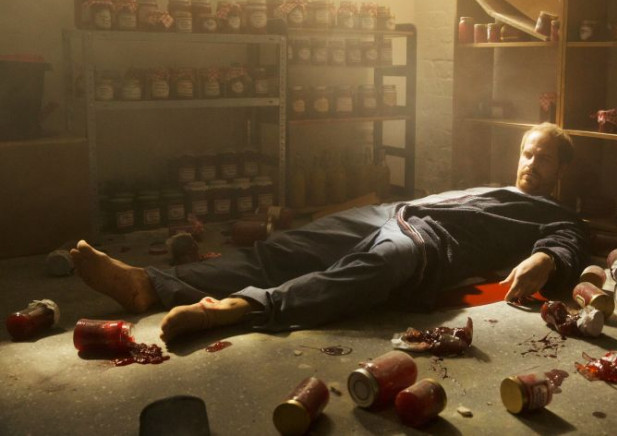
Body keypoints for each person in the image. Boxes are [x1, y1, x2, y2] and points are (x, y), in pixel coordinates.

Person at [71, 122, 588, 343]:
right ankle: (149, 283)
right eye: (527, 152)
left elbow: (565, 245)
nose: (531, 163)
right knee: (282, 249)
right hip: (391, 211)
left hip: (427, 242)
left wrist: (546, 260)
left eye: (543, 158)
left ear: (561, 170)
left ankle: (244, 308)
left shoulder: (555, 214)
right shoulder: (494, 187)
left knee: (377, 267)